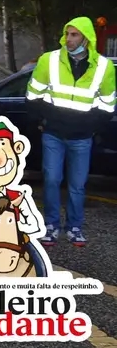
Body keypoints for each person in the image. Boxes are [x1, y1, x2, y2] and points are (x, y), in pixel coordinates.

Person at [27, 17, 116, 247]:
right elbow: (32, 95)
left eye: (74, 35)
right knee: (52, 180)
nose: (68, 39)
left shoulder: (104, 67)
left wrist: (91, 127)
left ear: (86, 38)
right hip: (53, 134)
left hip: (82, 137)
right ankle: (51, 226)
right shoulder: (49, 60)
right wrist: (43, 120)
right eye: (67, 34)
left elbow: (108, 106)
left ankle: (75, 227)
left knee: (77, 185)